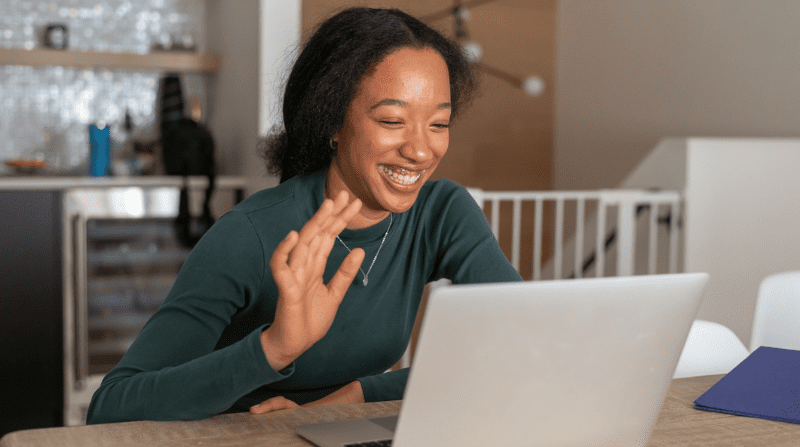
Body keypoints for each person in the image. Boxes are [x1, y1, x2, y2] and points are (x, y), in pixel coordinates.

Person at [87, 7, 521, 424]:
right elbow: (111, 406)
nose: (421, 151)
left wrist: (355, 395)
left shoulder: (442, 212)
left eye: (439, 125)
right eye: (392, 120)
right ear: (333, 121)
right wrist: (273, 349)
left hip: (345, 429)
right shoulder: (251, 234)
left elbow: (522, 343)